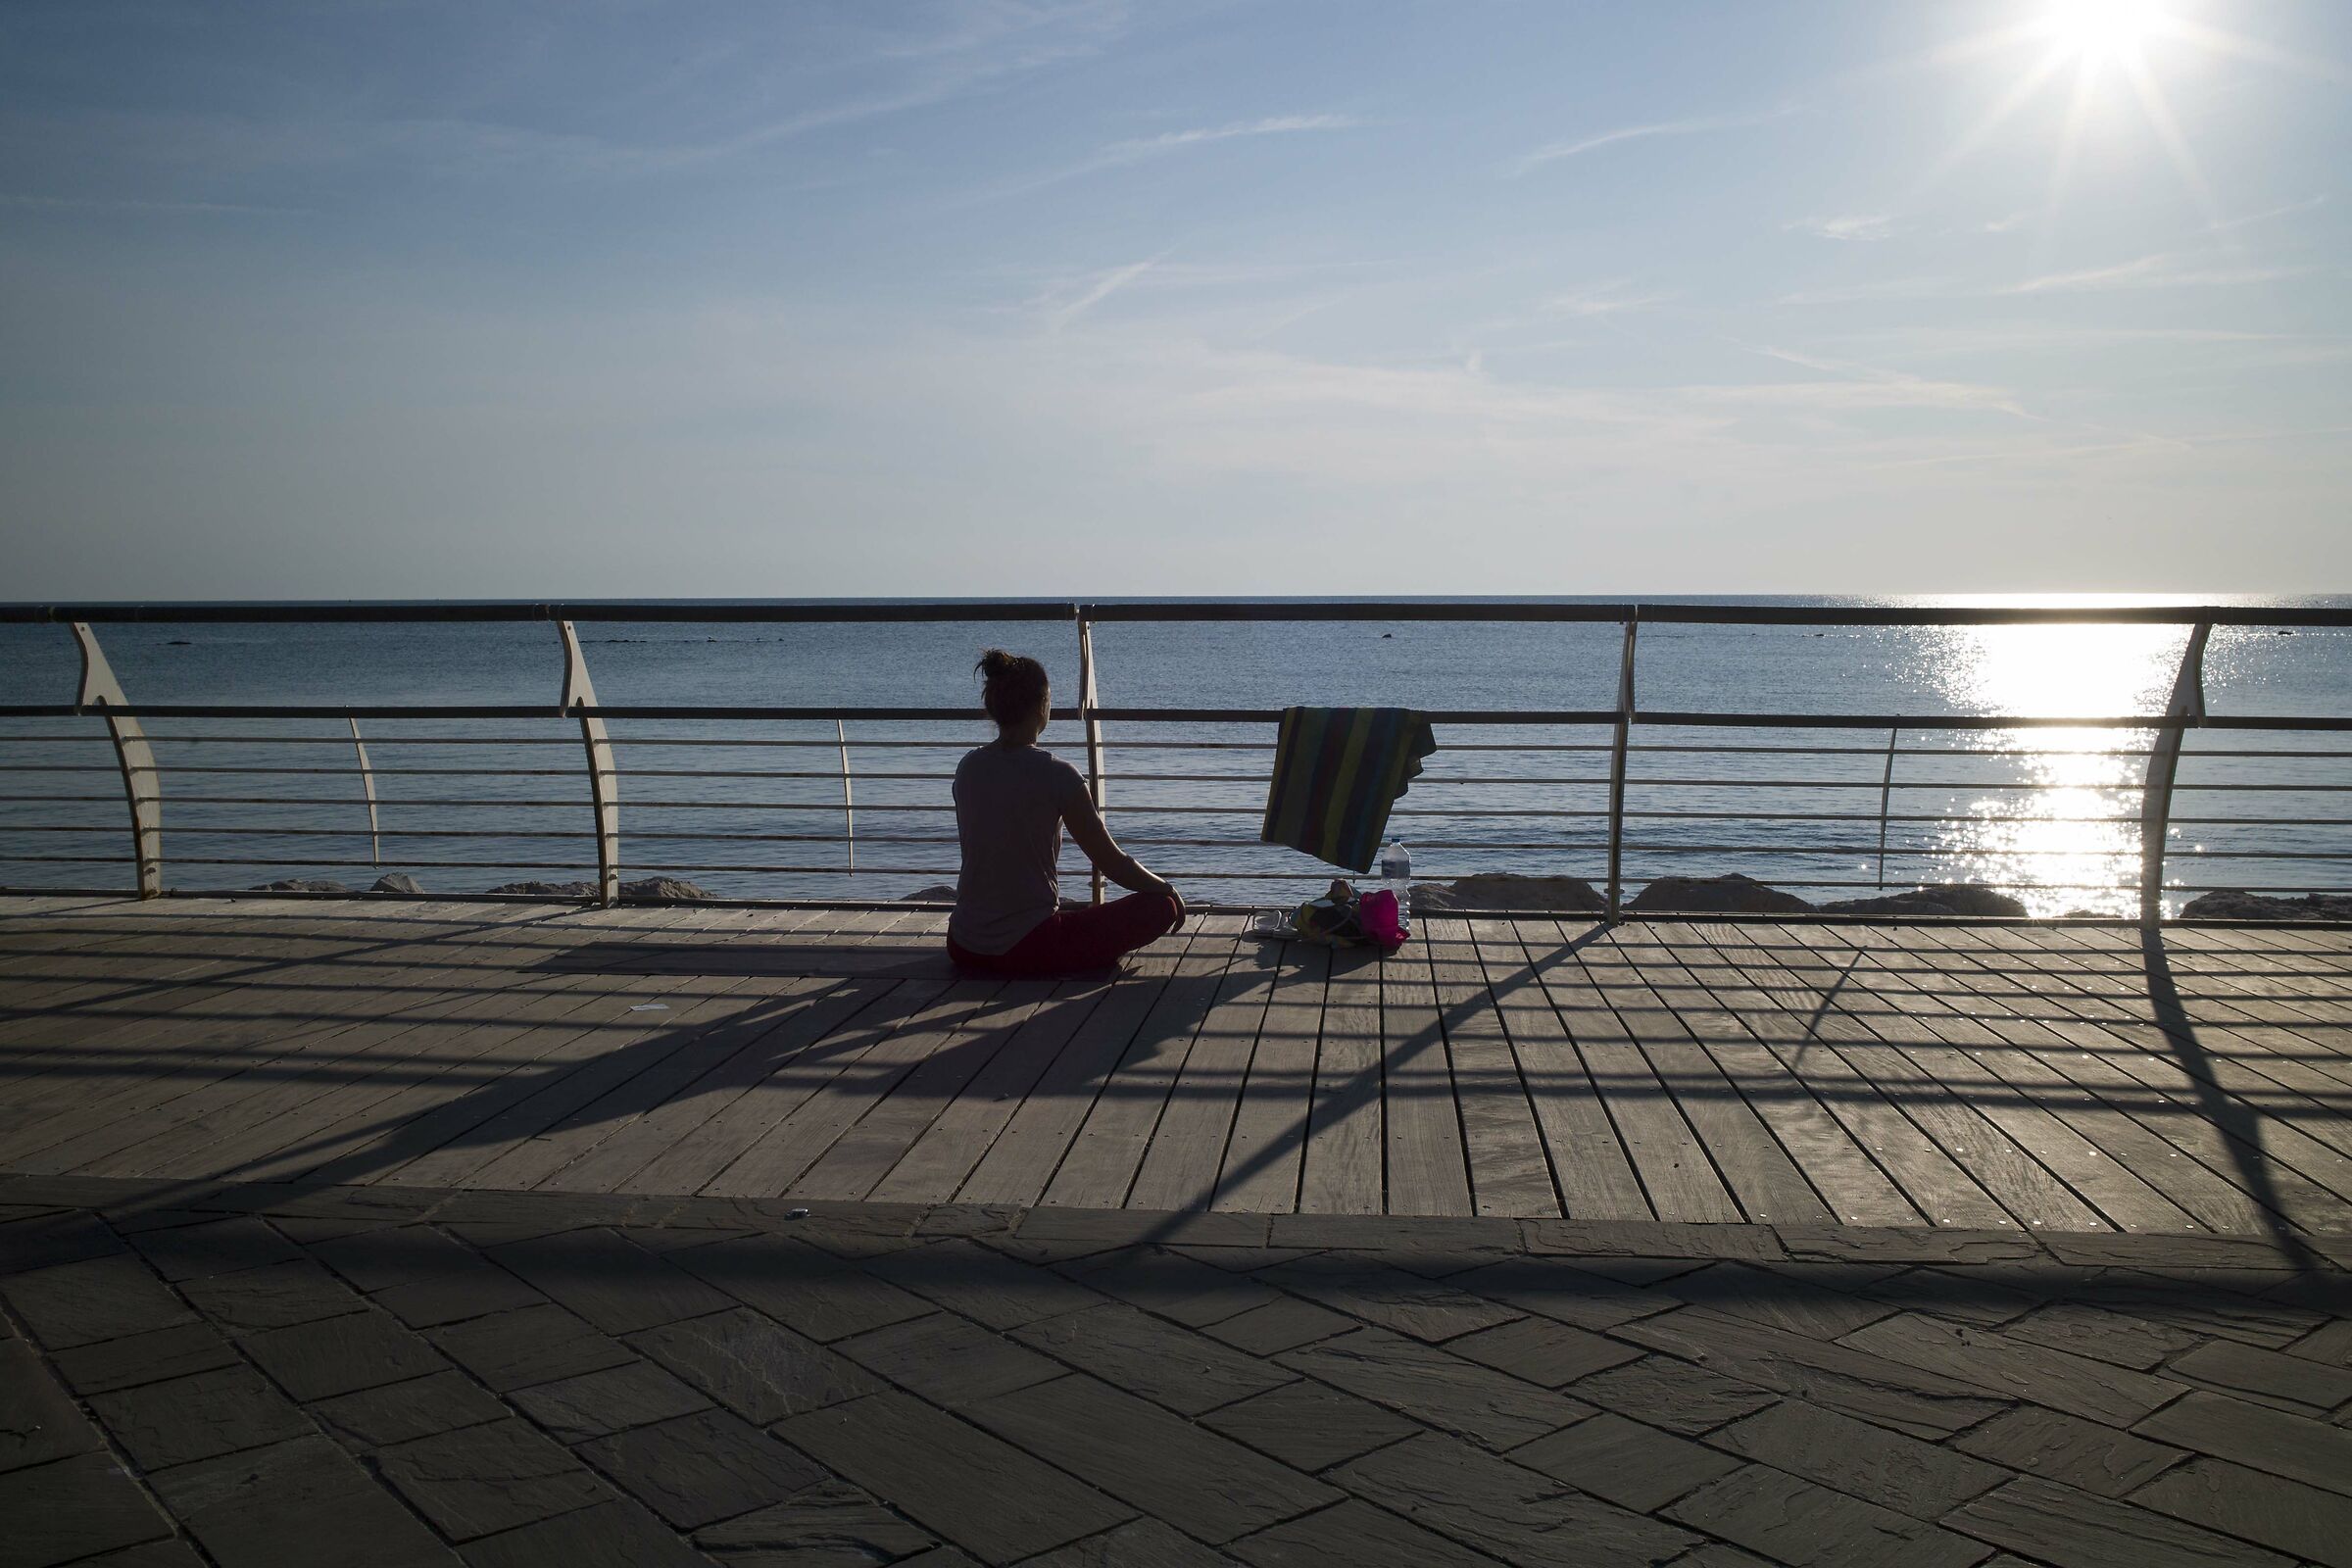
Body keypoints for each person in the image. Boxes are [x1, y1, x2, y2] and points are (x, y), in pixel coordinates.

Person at [946, 648, 1185, 974]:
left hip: (963, 944)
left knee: (1073, 914)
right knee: (1162, 907)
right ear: (1042, 706)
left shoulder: (968, 767)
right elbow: (1111, 861)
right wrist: (1166, 888)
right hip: (1029, 946)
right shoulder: (1058, 775)